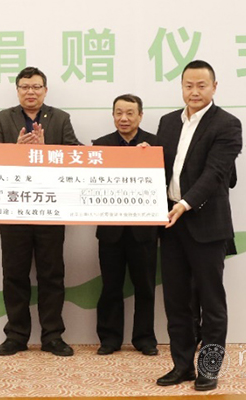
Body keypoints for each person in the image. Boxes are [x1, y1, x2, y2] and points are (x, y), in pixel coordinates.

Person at [155, 60, 242, 391]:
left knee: (211, 302)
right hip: (170, 224)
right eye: (188, 85)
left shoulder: (227, 124)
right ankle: (181, 366)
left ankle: (209, 368)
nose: (194, 91)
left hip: (206, 224)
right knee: (176, 301)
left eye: (201, 85)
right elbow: (162, 167)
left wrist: (185, 203)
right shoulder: (167, 122)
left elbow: (215, 173)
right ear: (181, 87)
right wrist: (146, 155)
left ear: (214, 87)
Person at [0, 66, 81, 357]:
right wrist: (14, 150)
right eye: (25, 87)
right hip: (13, 209)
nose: (31, 92)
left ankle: (52, 336)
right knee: (14, 274)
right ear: (17, 90)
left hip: (50, 209)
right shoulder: (2, 119)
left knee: (51, 275)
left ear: (45, 90)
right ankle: (16, 335)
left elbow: (77, 156)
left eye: (36, 87)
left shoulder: (60, 118)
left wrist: (47, 150)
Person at [92, 94, 159, 356]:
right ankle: (110, 339)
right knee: (110, 287)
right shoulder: (101, 145)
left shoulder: (155, 144)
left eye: (130, 113)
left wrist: (148, 158)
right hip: (111, 231)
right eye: (119, 113)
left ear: (140, 116)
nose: (124, 118)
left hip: (144, 230)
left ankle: (145, 339)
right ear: (113, 115)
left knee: (145, 287)